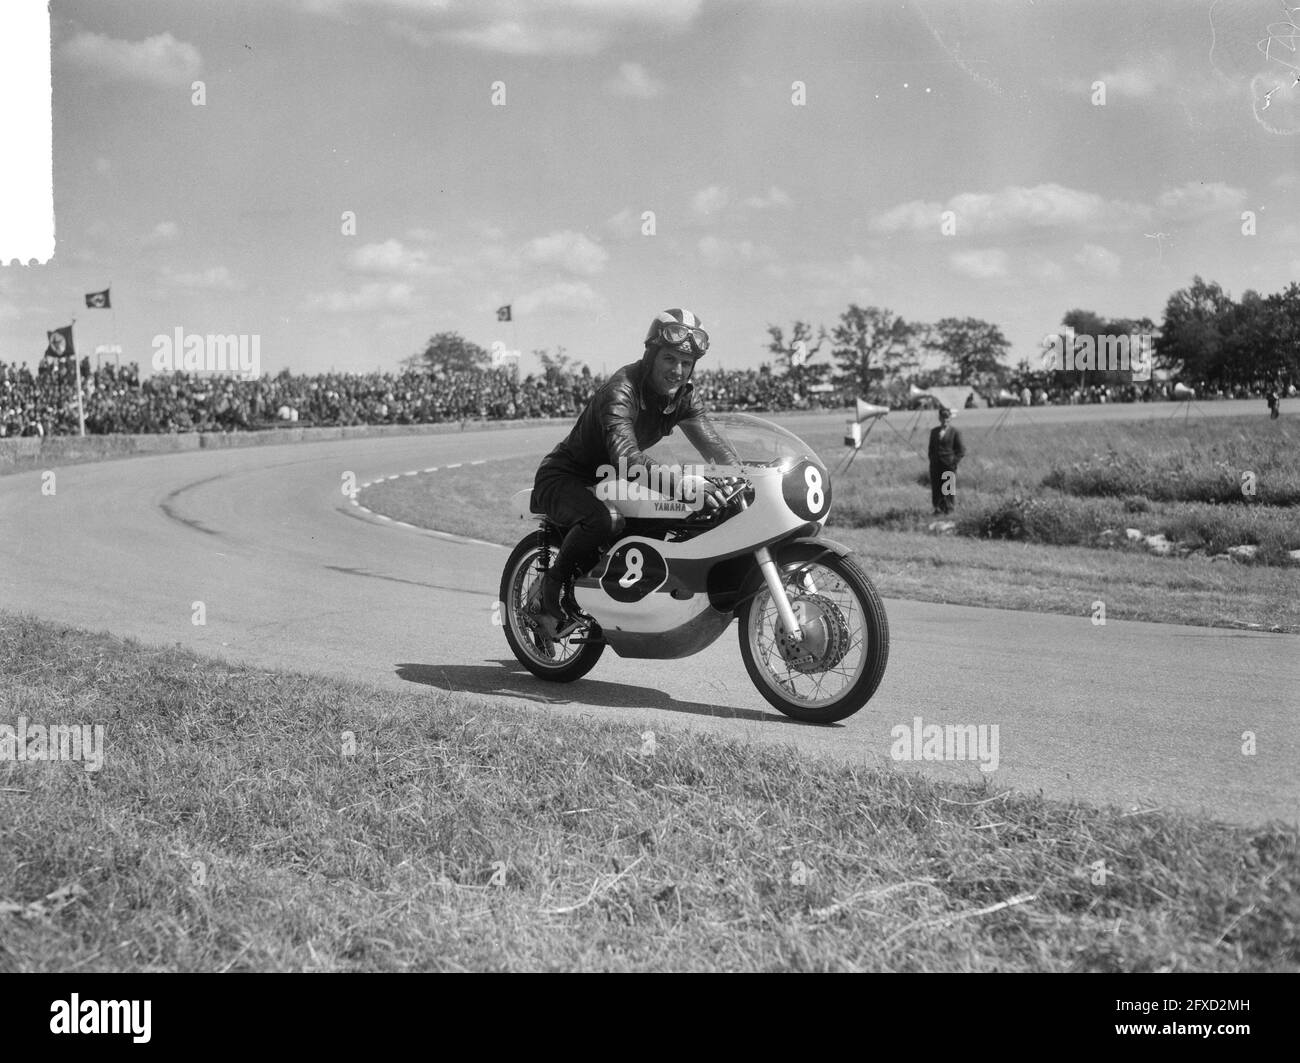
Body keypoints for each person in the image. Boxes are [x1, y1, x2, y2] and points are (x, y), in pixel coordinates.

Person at [529, 308, 740, 641]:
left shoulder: (683, 396)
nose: (678, 371)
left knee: (665, 519)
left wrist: (741, 478)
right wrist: (685, 486)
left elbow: (715, 447)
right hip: (566, 476)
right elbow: (628, 460)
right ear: (651, 354)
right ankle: (548, 591)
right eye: (670, 359)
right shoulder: (621, 390)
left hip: (609, 480)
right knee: (603, 521)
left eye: (686, 363)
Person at [928, 405, 965, 515]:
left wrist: (953, 462)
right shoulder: (934, 432)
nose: (945, 420)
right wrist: (932, 459)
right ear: (939, 418)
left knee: (948, 488)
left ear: (950, 418)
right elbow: (931, 448)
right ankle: (938, 509)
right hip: (935, 465)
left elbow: (961, 450)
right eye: (943, 417)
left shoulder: (955, 432)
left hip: (948, 465)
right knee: (936, 488)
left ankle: (949, 510)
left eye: (947, 418)